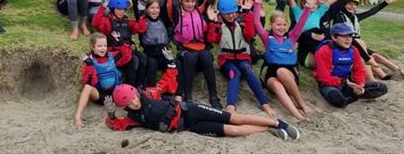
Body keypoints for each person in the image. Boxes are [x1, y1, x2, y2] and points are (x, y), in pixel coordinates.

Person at [104, 64, 300, 140]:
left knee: (234, 119)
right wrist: (112, 114)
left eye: (135, 97)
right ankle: (268, 129)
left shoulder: (149, 94)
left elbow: (166, 82)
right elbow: (116, 125)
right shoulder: (133, 119)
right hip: (189, 126)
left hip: (191, 111)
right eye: (131, 103)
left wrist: (171, 65)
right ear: (125, 107)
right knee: (231, 132)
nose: (136, 102)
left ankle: (278, 123)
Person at [206, 0, 274, 117]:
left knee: (247, 69)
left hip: (243, 58)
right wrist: (212, 22)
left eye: (233, 12)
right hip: (227, 61)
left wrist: (247, 14)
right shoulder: (218, 24)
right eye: (227, 14)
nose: (231, 16)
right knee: (235, 74)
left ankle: (264, 103)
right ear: (221, 14)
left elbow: (250, 35)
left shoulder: (241, 22)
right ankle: (231, 106)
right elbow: (212, 39)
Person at [252, 0, 313, 122]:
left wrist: (308, 7)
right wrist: (257, 3)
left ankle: (301, 103)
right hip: (271, 74)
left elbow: (301, 24)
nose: (282, 27)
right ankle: (297, 114)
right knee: (276, 83)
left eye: (284, 24)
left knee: (282, 71)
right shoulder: (267, 38)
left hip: (289, 73)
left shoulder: (291, 38)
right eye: (278, 24)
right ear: (271, 25)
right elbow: (256, 24)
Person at [313, 22, 388, 108]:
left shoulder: (354, 50)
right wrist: (345, 82)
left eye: (350, 36)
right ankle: (351, 98)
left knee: (382, 87)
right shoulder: (324, 51)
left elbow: (359, 70)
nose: (348, 39)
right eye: (344, 36)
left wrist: (360, 85)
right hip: (330, 84)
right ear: (334, 37)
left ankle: (352, 96)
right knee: (336, 99)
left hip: (348, 83)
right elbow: (323, 78)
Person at [174, 0, 221, 109]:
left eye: (193, 1)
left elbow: (207, 32)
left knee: (206, 56)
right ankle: (188, 95)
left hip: (200, 46)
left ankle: (213, 95)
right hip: (185, 49)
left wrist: (211, 21)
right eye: (187, 1)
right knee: (190, 58)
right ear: (181, 1)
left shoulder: (199, 13)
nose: (190, 4)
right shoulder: (177, 14)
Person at [92, 0, 148, 87]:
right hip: (114, 52)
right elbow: (95, 23)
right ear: (112, 9)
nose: (121, 12)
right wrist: (102, 7)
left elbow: (141, 29)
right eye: (118, 9)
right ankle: (130, 87)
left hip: (126, 49)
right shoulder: (107, 22)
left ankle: (140, 85)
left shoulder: (127, 21)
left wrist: (142, 15)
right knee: (134, 60)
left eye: (123, 9)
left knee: (143, 57)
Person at [74, 33, 123, 127]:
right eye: (99, 46)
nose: (103, 48)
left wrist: (121, 43)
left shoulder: (112, 56)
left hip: (115, 93)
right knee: (87, 87)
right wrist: (89, 66)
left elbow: (127, 54)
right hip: (100, 95)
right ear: (93, 47)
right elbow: (87, 82)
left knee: (129, 89)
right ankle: (78, 117)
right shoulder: (89, 60)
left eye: (105, 45)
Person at [139, 0, 171, 87]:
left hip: (163, 52)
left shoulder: (162, 21)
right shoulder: (144, 21)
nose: (155, 10)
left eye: (157, 8)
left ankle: (172, 90)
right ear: (147, 9)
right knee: (152, 65)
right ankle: (151, 89)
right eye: (152, 8)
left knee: (174, 64)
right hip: (150, 53)